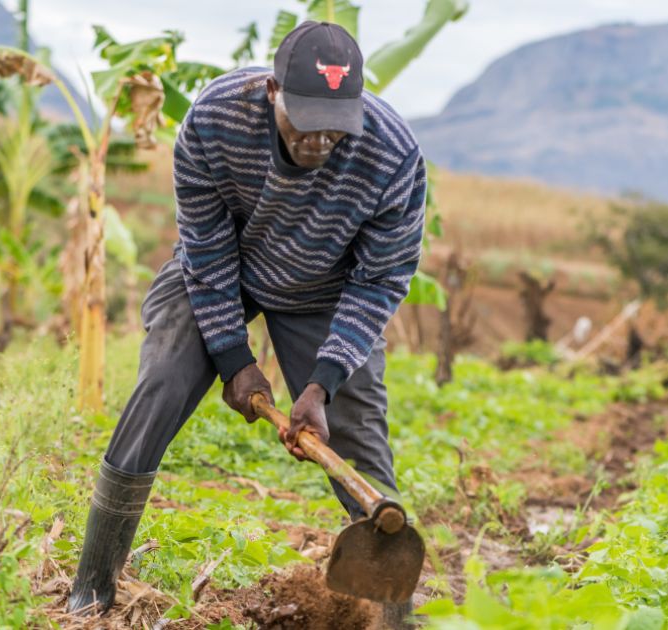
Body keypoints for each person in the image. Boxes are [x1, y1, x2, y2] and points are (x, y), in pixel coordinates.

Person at [68, 20, 426, 622]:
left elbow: (380, 280)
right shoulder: (214, 120)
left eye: (335, 128)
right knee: (160, 385)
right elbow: (205, 252)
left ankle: (391, 619)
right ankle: (92, 588)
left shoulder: (392, 155)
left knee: (360, 437)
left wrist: (323, 383)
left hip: (324, 292)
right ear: (270, 92)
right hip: (224, 270)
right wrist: (235, 360)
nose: (318, 142)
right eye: (304, 122)